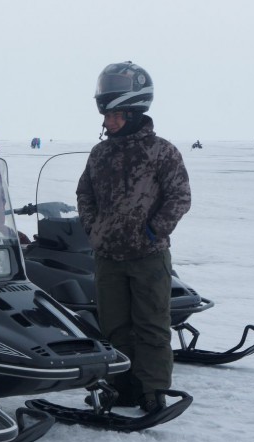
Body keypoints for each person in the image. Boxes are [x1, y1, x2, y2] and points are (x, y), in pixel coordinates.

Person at [76, 61, 191, 414]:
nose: (108, 122)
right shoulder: (100, 153)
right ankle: (121, 387)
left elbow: (179, 196)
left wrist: (153, 230)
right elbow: (85, 194)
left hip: (148, 256)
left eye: (115, 116)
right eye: (106, 116)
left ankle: (152, 390)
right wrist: (95, 228)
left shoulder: (161, 151)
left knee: (152, 325)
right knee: (115, 327)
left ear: (133, 113)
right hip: (108, 257)